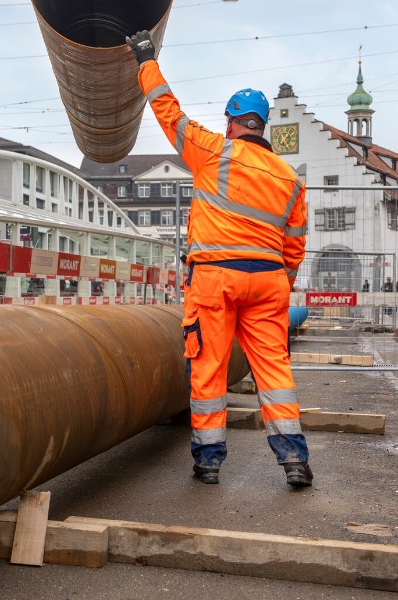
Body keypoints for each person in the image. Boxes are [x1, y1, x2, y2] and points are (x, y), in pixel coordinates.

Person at [126, 30, 312, 488]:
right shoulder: (290, 177)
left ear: (231, 122)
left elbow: (168, 111)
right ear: (263, 126)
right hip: (268, 280)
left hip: (215, 278)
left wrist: (145, 59)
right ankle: (294, 460)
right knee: (274, 371)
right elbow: (295, 245)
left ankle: (208, 460)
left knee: (208, 366)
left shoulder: (213, 151)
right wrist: (279, 286)